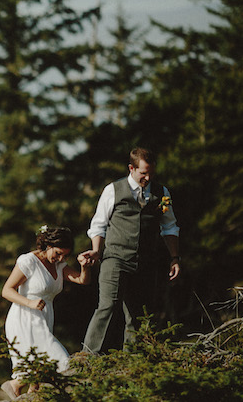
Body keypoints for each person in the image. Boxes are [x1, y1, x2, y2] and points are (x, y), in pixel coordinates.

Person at [80, 147, 180, 355]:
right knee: (108, 305)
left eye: (151, 172)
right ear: (131, 168)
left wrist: (174, 258)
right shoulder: (113, 190)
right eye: (143, 173)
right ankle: (88, 357)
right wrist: (96, 250)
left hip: (146, 262)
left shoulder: (162, 193)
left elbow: (169, 227)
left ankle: (133, 363)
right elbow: (99, 224)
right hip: (115, 258)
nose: (148, 177)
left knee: (139, 314)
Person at [0, 226, 91, 399]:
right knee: (61, 361)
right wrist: (30, 302)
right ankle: (14, 384)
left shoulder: (59, 265)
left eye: (65, 255)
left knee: (38, 372)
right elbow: (7, 290)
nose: (60, 258)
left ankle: (21, 390)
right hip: (24, 317)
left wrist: (84, 266)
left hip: (44, 318)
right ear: (47, 245)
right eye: (57, 253)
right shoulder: (29, 261)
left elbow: (82, 280)